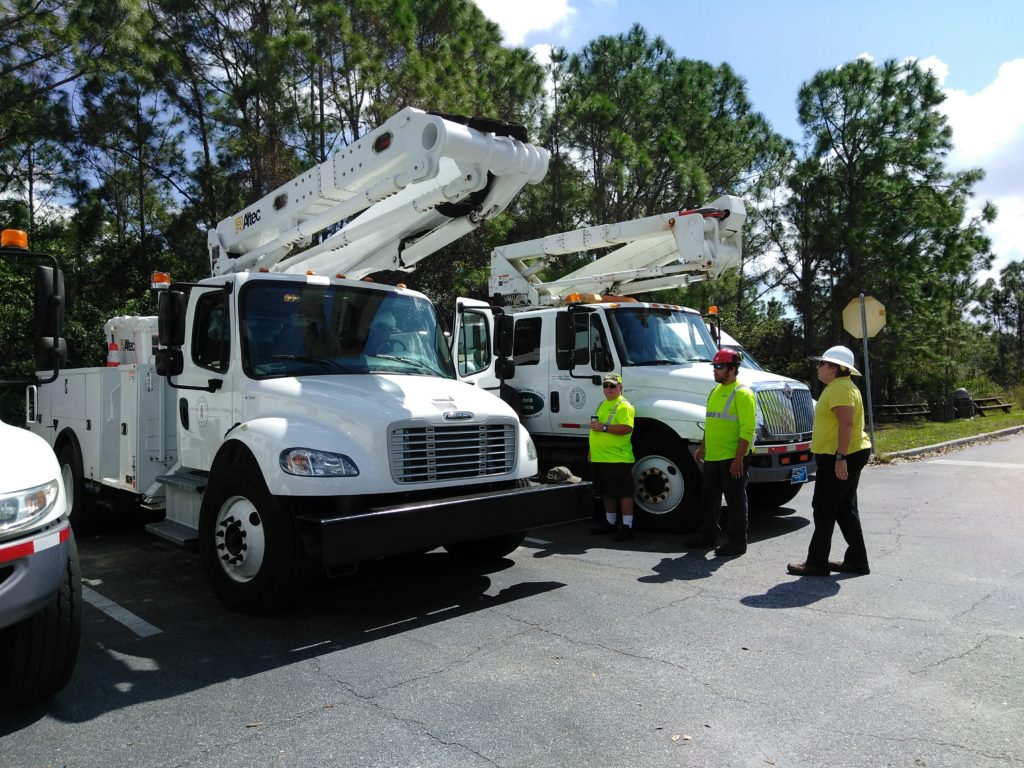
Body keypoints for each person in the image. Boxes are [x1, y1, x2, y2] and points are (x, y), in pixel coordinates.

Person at [787, 345, 873, 577]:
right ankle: (857, 561)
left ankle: (816, 563)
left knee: (824, 508)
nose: (818, 367)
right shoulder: (843, 387)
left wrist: (840, 458)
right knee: (845, 509)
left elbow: (846, 425)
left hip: (841, 455)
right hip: (847, 453)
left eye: (822, 363)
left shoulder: (838, 389)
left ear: (835, 368)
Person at [686, 348, 756, 557]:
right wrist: (702, 446)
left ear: (733, 369)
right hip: (714, 455)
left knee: (735, 501)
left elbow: (747, 430)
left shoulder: (743, 393)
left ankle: (737, 543)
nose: (715, 371)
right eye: (715, 367)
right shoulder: (714, 392)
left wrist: (738, 460)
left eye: (719, 367)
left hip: (732, 457)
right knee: (709, 498)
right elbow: (711, 422)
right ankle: (708, 535)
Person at [589, 373, 637, 542]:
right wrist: (591, 451)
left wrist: (603, 428)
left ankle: (627, 526)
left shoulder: (623, 406)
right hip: (600, 457)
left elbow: (626, 428)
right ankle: (610, 522)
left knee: (624, 493)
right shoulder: (602, 404)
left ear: (620, 388)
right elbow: (594, 429)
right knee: (606, 493)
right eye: (605, 386)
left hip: (618, 458)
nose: (608, 389)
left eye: (612, 386)